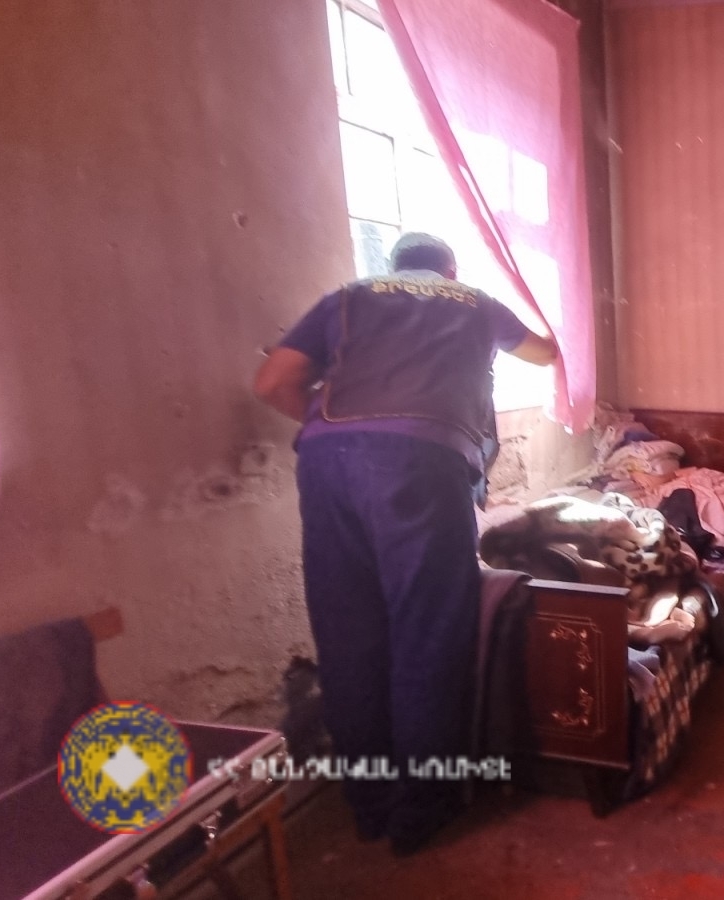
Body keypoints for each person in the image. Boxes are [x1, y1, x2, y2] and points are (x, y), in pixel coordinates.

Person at [253, 233, 556, 856]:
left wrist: (336, 425)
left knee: (348, 637)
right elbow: (545, 355)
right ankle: (420, 810)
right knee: (428, 632)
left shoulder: (348, 296)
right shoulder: (474, 301)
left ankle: (369, 806)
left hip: (327, 461)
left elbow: (271, 381)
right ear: (450, 269)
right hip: (421, 462)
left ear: (392, 266)